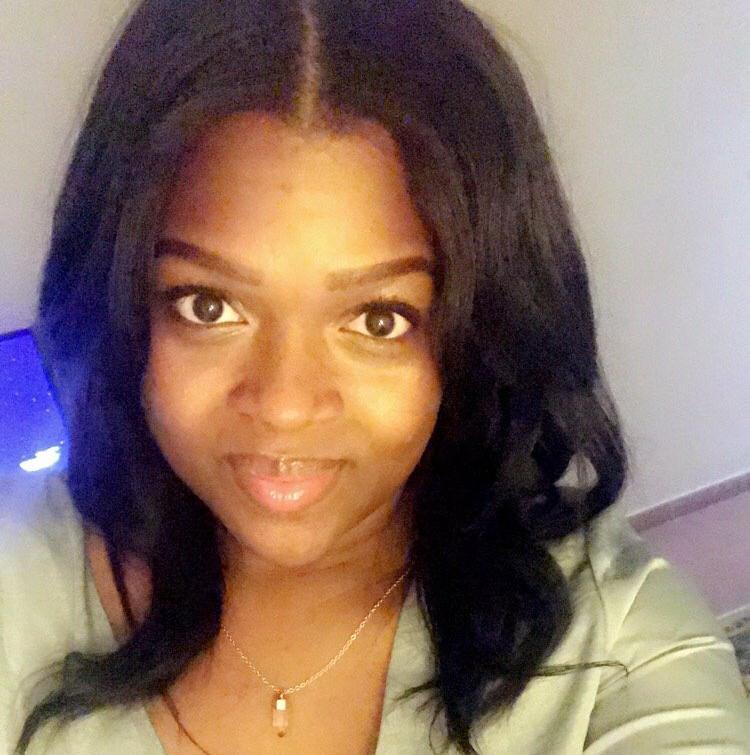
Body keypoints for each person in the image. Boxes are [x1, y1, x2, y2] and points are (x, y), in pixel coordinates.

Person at [1, 0, 748, 752]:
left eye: (378, 319)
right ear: (123, 300)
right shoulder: (19, 583)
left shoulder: (617, 649)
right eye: (209, 305)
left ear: (477, 329)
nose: (285, 406)